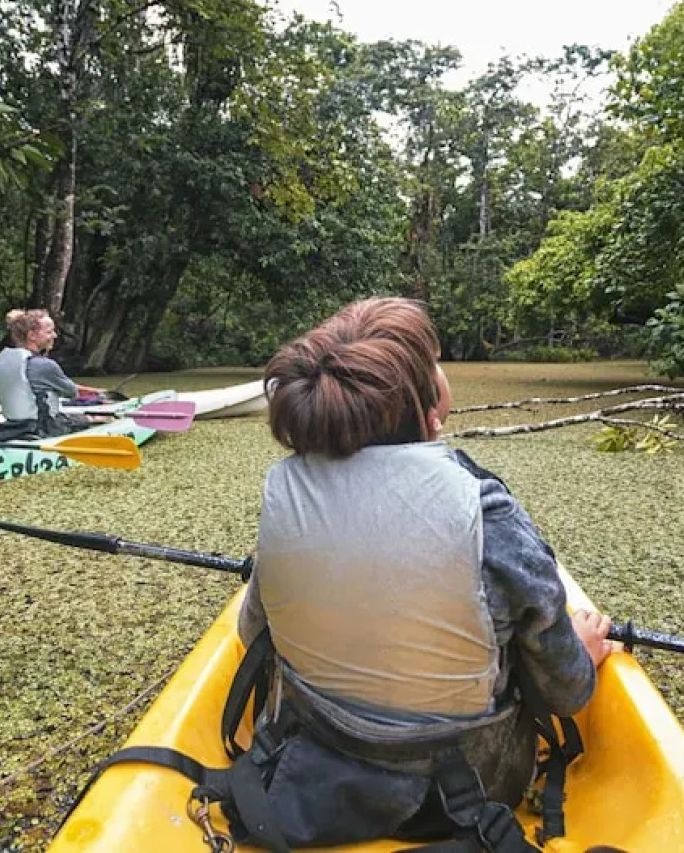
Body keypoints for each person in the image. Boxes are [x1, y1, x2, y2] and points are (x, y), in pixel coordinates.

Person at [225, 296, 614, 849]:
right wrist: (582, 650)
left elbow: (252, 634)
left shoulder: (285, 491)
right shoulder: (486, 513)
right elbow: (566, 690)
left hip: (309, 762)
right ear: (428, 407)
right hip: (461, 791)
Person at [0, 308, 96, 440]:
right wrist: (101, 394)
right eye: (49, 332)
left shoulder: (2, 360)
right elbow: (72, 392)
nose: (55, 336)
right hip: (42, 428)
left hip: (13, 426)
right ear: (32, 336)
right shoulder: (44, 365)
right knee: (97, 419)